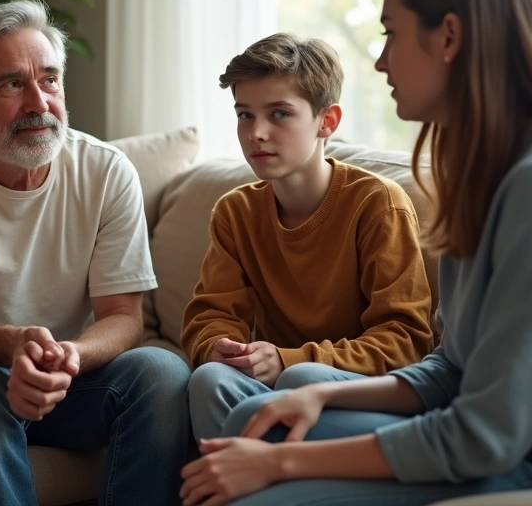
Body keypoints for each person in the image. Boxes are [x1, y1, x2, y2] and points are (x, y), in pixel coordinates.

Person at [180, 0, 532, 506]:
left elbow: (486, 434)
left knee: (257, 467)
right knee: (257, 415)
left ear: (450, 37)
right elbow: (451, 370)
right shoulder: (487, 180)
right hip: (496, 432)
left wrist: (281, 461)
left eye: (391, 33)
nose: (380, 60)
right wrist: (323, 397)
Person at [0, 0, 191, 505]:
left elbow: (124, 317)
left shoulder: (107, 171)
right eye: (12, 84)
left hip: (66, 381)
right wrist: (12, 344)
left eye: (49, 80)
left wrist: (70, 356)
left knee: (163, 372)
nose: (39, 103)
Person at [181, 32, 434, 441]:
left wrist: (288, 360)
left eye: (279, 114)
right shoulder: (235, 211)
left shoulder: (377, 203)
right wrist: (219, 347)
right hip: (270, 383)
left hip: (352, 391)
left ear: (326, 121)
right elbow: (210, 316)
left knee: (303, 376)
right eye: (244, 114)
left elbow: (406, 340)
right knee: (210, 379)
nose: (256, 132)